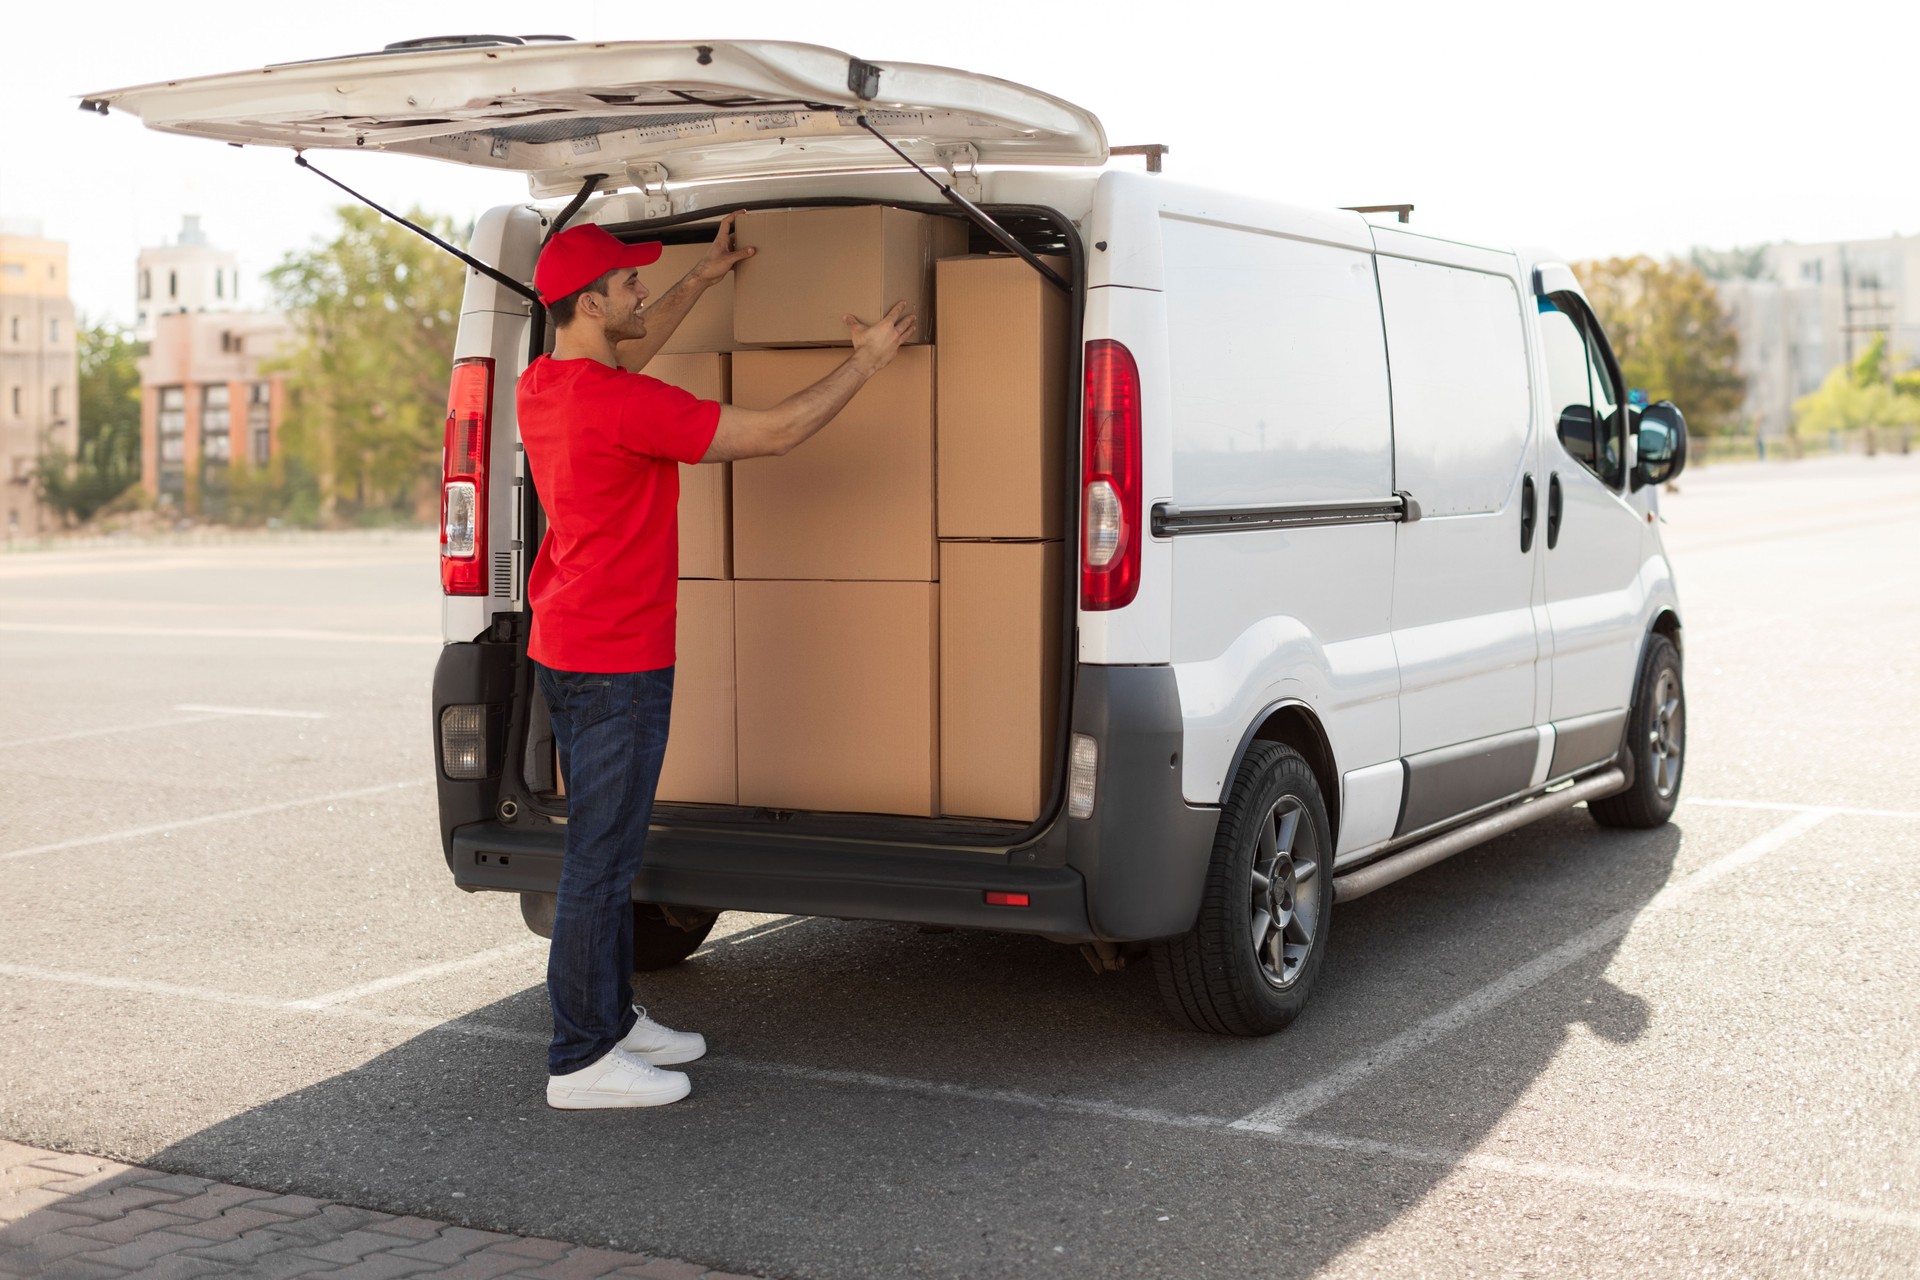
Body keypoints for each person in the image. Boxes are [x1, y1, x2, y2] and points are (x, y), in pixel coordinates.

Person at [519, 215, 916, 1110]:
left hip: (574, 645)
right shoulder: (625, 404)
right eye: (627, 287)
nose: (639, 297)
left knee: (607, 853)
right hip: (616, 662)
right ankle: (580, 1058)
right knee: (600, 862)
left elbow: (635, 344)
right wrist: (869, 361)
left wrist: (702, 281)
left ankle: (612, 1017)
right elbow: (774, 432)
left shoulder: (548, 383)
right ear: (590, 302)